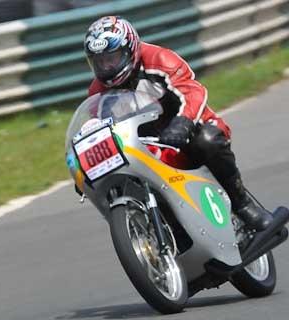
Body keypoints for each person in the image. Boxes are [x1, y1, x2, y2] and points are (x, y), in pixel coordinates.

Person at [83, 16, 273, 231]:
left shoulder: (159, 59)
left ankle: (243, 204)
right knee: (119, 178)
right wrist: (88, 165)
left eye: (112, 58)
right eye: (99, 62)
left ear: (130, 49)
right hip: (146, 148)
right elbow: (98, 128)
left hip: (187, 131)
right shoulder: (97, 92)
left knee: (207, 141)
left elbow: (192, 91)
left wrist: (182, 123)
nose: (106, 67)